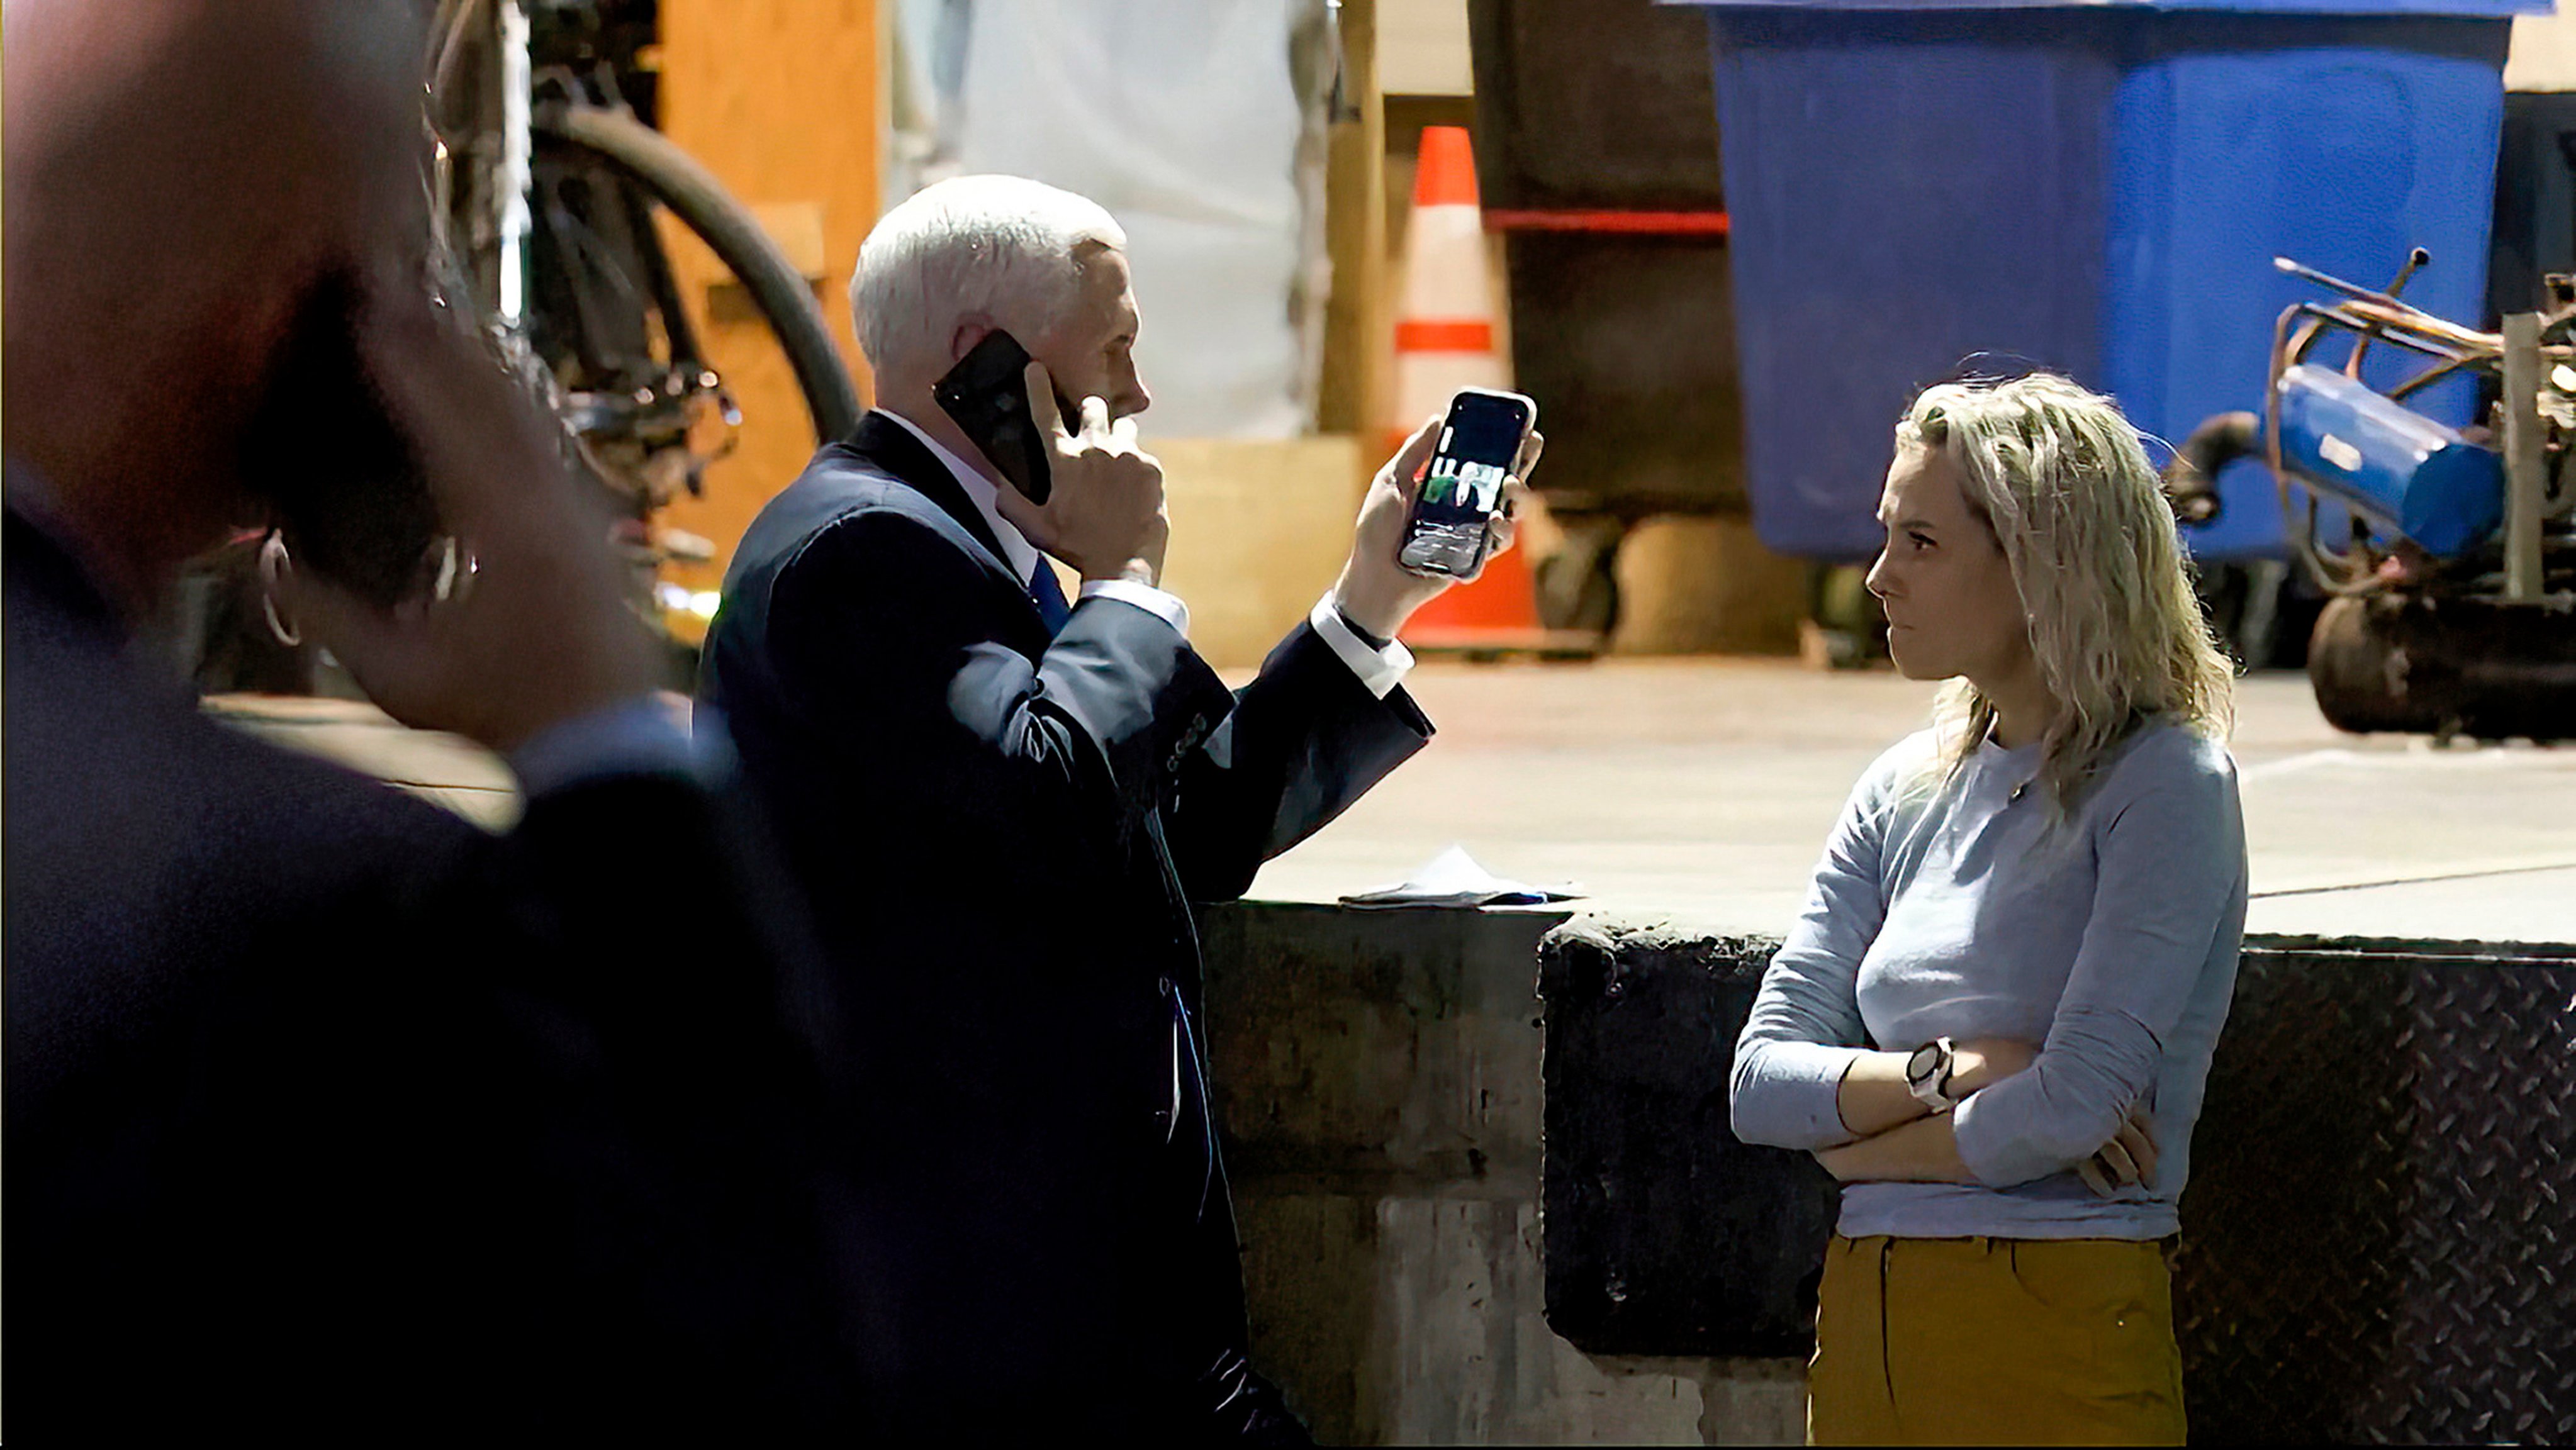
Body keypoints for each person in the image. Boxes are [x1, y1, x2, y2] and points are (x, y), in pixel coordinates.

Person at [4, 3, 866, 1434]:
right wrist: (596, 736)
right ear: (305, 327)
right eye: (403, 281)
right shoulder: (309, 921)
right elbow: (753, 1352)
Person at [700, 174, 1539, 1439]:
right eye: (1115, 351)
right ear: (989, 366)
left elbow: (1161, 831)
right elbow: (1041, 801)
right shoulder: (856, 555)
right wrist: (1129, 587)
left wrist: (1372, 600)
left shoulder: (963, 544)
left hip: (1090, 1308)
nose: (1138, 398)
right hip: (980, 1317)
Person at [1728, 373, 2244, 1445]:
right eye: (1885, 536)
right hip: (1868, 1322)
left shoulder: (2165, 784)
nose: (1876, 578)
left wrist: (1852, 1149)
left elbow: (2070, 1107)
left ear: (2042, 564)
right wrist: (1952, 1066)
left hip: (2050, 1321)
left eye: (1920, 542)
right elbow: (1759, 1082)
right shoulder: (1900, 787)